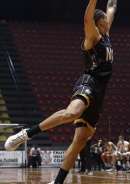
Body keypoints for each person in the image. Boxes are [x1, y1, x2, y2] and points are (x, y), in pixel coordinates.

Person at [5, 0, 117, 183]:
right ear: (101, 22)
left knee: (81, 140)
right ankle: (26, 133)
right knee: (72, 112)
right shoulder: (93, 36)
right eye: (105, 18)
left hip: (100, 90)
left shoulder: (106, 34)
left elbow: (112, 5)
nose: (108, 19)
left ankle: (57, 182)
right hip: (89, 80)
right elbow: (87, 19)